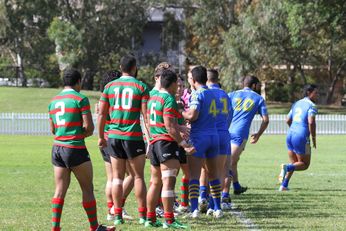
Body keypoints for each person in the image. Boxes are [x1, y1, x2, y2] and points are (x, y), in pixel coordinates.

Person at [48, 69, 113, 231]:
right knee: (87, 188)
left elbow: (53, 130)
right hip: (75, 148)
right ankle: (94, 227)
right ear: (78, 82)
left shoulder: (53, 101)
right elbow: (89, 127)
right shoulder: (80, 99)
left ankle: (55, 227)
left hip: (57, 148)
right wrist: (81, 133)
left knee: (59, 190)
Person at [98, 54, 149, 226]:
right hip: (133, 136)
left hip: (113, 136)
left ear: (121, 68)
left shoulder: (109, 87)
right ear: (134, 68)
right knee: (139, 177)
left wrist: (100, 137)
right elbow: (146, 116)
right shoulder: (140, 86)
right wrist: (151, 138)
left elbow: (102, 114)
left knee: (117, 178)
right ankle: (143, 216)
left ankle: (117, 214)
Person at [146, 69, 193, 228]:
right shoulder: (168, 98)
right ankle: (169, 220)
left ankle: (150, 218)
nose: (178, 87)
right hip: (165, 143)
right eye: (177, 84)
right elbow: (170, 127)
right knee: (168, 182)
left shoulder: (153, 97)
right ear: (172, 84)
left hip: (154, 143)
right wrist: (184, 144)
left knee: (155, 183)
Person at [182, 65, 223, 218]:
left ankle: (194, 210)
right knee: (213, 175)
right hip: (214, 136)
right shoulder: (214, 94)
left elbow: (192, 115)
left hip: (199, 137)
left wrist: (181, 112)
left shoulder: (197, 94)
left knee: (194, 175)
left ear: (193, 79)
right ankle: (218, 208)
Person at [96, 70, 134, 221]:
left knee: (111, 178)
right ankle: (116, 207)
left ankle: (111, 209)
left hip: (104, 140)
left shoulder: (100, 100)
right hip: (116, 138)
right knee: (132, 175)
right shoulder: (113, 99)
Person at [228, 75, 269, 195]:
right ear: (254, 85)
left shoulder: (231, 94)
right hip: (239, 133)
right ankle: (224, 196)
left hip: (225, 130)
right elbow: (266, 120)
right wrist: (258, 134)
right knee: (229, 163)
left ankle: (236, 186)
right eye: (258, 85)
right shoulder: (259, 98)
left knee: (232, 161)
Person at [278, 84, 318, 191]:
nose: (317, 95)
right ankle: (286, 167)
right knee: (304, 164)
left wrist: (294, 129)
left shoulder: (296, 103)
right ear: (309, 93)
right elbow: (311, 122)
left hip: (290, 134)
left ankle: (284, 185)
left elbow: (287, 120)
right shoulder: (312, 105)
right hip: (301, 135)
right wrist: (313, 137)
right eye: (316, 93)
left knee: (294, 162)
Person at [175, 75, 191, 213]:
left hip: (182, 144)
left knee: (187, 173)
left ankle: (184, 204)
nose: (179, 89)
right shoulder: (168, 101)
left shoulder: (182, 102)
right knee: (169, 175)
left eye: (182, 86)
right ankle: (160, 206)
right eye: (177, 85)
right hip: (170, 143)